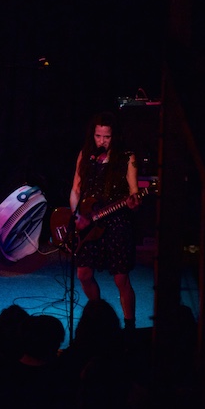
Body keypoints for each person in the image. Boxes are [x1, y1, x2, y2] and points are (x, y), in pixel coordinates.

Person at [69, 111, 141, 330]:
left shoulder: (127, 157)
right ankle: (98, 315)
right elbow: (75, 190)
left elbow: (134, 192)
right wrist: (77, 216)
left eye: (106, 137)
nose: (101, 141)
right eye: (98, 136)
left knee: (120, 278)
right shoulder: (86, 155)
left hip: (116, 221)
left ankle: (130, 326)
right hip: (90, 221)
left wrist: (133, 202)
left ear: (114, 136)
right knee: (83, 273)